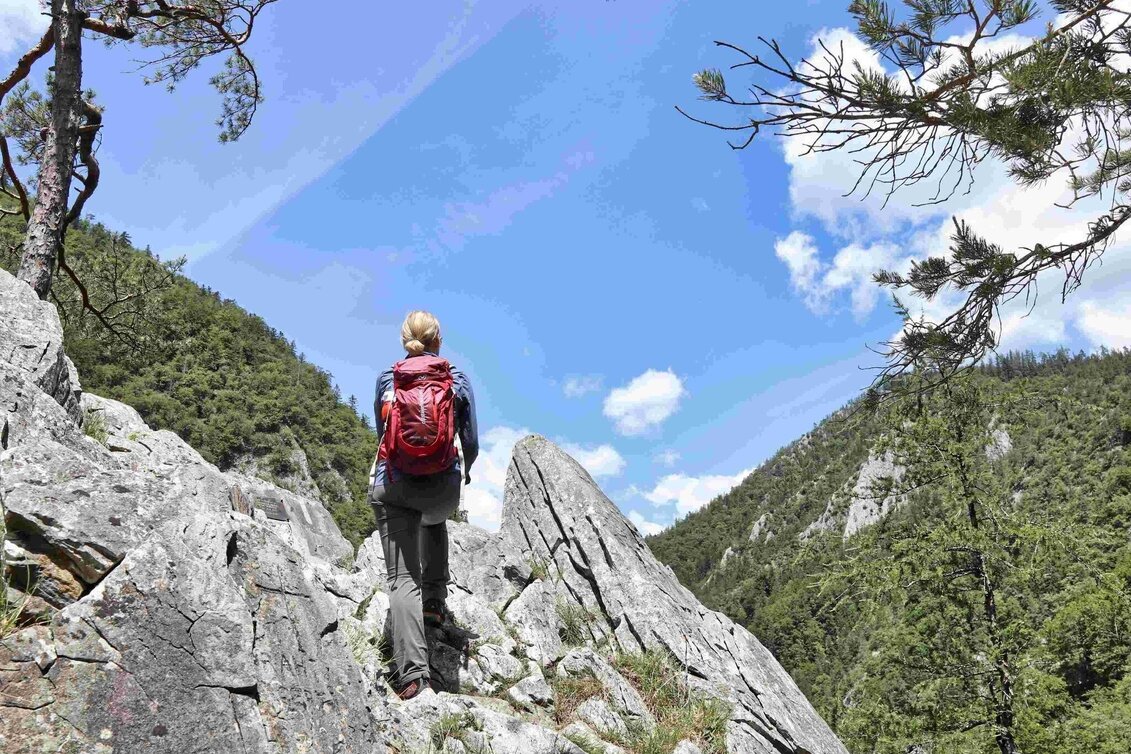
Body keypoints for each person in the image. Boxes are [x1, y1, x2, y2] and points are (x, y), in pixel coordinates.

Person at [369, 310, 478, 701]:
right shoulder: (456, 379)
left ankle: (414, 677)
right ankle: (434, 603)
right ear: (438, 341)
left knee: (401, 579)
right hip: (441, 489)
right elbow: (471, 440)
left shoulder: (388, 379)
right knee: (434, 520)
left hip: (395, 486)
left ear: (404, 341)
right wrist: (460, 474)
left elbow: (383, 435)